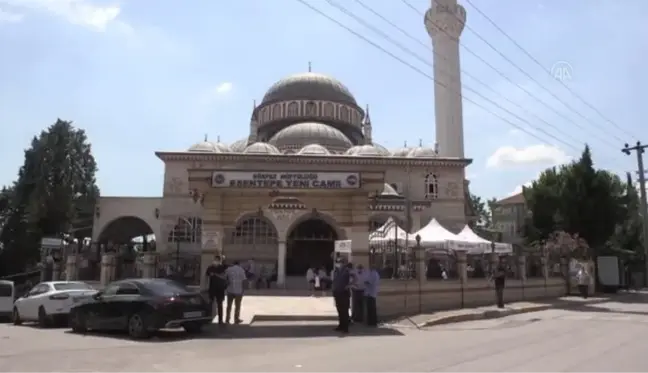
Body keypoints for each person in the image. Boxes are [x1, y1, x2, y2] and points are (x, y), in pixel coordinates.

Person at [204, 256, 227, 325]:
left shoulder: (222, 267)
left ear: (220, 261)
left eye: (217, 260)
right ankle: (209, 318)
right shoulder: (210, 267)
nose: (216, 261)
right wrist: (205, 287)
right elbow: (206, 276)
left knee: (220, 304)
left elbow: (224, 277)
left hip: (220, 288)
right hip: (212, 288)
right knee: (210, 303)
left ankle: (220, 320)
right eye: (215, 260)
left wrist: (215, 274)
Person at [331, 258, 351, 333]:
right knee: (339, 310)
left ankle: (345, 328)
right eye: (337, 262)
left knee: (344, 311)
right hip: (337, 293)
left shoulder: (347, 271)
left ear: (343, 263)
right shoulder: (336, 271)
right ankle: (341, 325)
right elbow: (334, 281)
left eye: (339, 262)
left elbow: (355, 279)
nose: (338, 263)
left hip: (344, 293)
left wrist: (348, 285)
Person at [364, 263, 380, 327]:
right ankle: (372, 321)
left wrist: (364, 282)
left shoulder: (373, 274)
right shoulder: (376, 274)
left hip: (370, 293)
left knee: (371, 308)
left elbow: (369, 282)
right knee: (372, 308)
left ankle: (371, 322)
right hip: (372, 293)